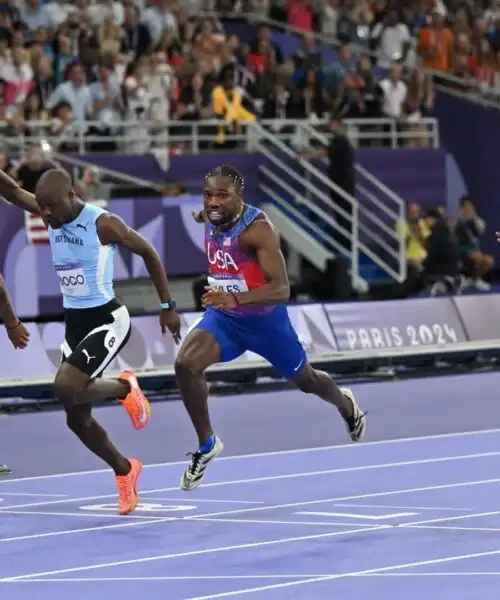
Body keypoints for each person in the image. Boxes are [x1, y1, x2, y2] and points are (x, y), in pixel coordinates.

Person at [0, 167, 181, 514]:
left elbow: (149, 253)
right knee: (75, 420)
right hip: (75, 324)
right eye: (42, 207)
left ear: (71, 195)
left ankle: (124, 389)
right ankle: (126, 471)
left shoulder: (103, 224)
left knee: (65, 386)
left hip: (108, 319)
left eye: (51, 206)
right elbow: (9, 190)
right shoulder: (49, 212)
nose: (45, 214)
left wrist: (167, 306)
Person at [175, 164, 366, 492]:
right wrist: (201, 214)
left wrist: (235, 299)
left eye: (223, 195)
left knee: (307, 381)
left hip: (266, 324)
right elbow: (205, 213)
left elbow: (281, 289)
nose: (213, 202)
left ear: (240, 197)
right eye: (208, 195)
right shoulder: (212, 214)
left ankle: (345, 404)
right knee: (185, 364)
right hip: (226, 320)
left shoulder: (258, 231)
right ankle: (207, 444)